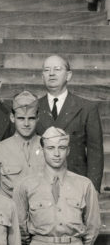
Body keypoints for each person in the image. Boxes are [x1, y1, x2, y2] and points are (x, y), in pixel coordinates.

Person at [34, 55, 104, 190]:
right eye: (47, 70)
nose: (52, 73)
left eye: (57, 69)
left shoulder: (86, 108)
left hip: (76, 183)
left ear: (69, 75)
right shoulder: (34, 107)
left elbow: (95, 153)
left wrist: (92, 190)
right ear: (42, 76)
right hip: (41, 184)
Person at [0, 91, 46, 198]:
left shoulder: (49, 147)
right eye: (21, 118)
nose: (26, 124)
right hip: (10, 212)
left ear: (38, 118)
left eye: (31, 118)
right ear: (12, 118)